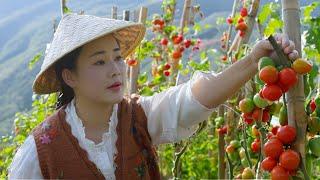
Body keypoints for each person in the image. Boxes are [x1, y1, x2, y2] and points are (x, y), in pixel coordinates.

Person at [8, 13, 298, 179]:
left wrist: (253, 60)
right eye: (99, 62)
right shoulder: (40, 151)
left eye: (118, 58)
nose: (115, 70)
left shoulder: (136, 117)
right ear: (69, 77)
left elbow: (193, 99)